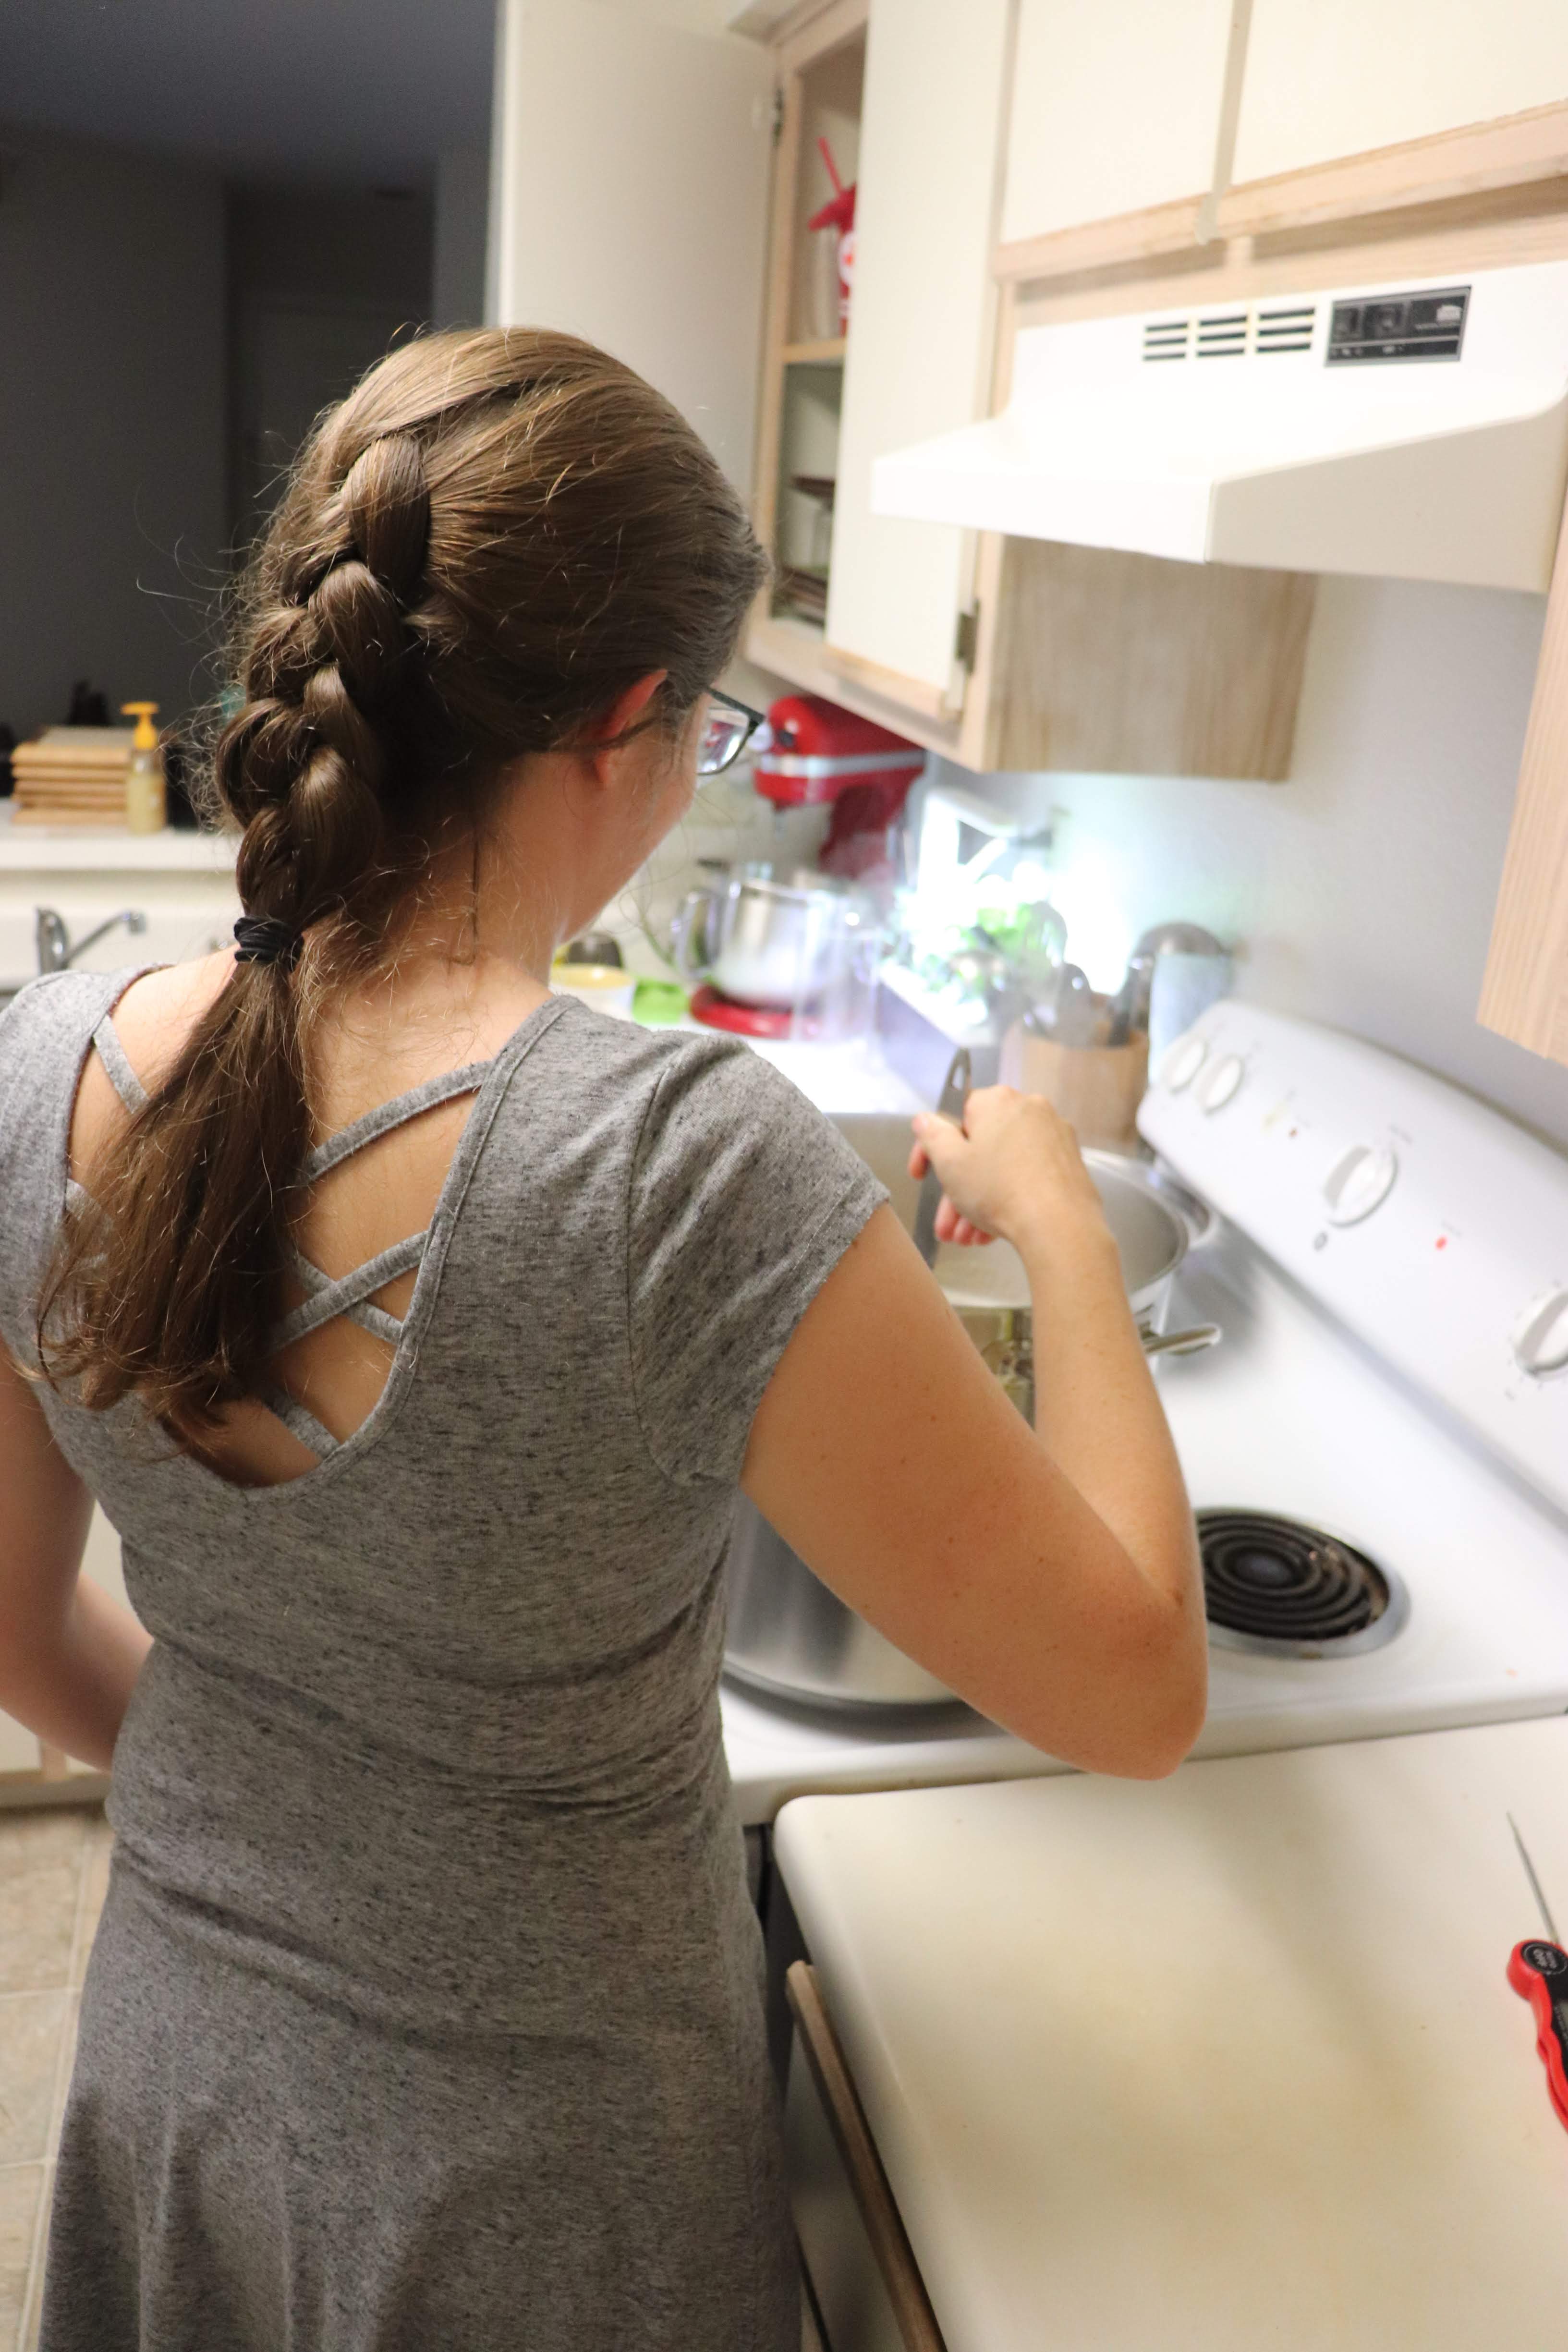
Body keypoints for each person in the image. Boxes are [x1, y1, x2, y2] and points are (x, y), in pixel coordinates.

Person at [0, 327, 1204, 2352]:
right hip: (541, 2185)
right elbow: (1136, 1685)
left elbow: (23, 1636)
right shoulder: (672, 1169)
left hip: (179, 2065)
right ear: (633, 717)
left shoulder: (41, 1069)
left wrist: (288, 1820)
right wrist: (1066, 1228)